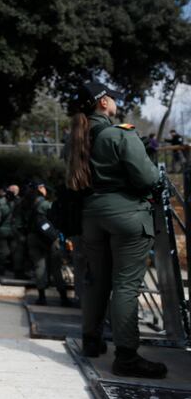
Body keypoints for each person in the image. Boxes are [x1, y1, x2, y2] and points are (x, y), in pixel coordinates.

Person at [67, 81, 166, 379]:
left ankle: (91, 341)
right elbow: (149, 179)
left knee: (97, 280)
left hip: (91, 215)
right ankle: (126, 357)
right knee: (125, 285)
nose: (115, 102)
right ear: (103, 103)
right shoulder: (118, 134)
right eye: (112, 98)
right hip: (125, 214)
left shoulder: (75, 139)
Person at [24, 181, 69, 306]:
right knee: (56, 268)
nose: (45, 189)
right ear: (39, 189)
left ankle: (42, 297)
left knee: (40, 266)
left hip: (32, 237)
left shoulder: (26, 202)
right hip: (49, 237)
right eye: (43, 187)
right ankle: (63, 298)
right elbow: (56, 211)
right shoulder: (43, 203)